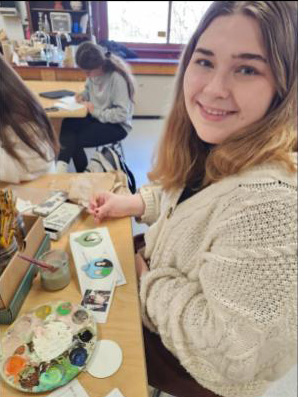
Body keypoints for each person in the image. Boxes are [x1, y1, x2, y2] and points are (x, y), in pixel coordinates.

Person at [88, 2, 297, 397]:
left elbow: (231, 351)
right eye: (204, 61)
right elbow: (186, 197)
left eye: (247, 68)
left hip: (190, 372)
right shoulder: (220, 143)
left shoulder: (273, 203)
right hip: (156, 309)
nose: (214, 89)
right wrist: (135, 204)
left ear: (283, 87)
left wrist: (147, 280)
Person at [56, 41, 135, 173]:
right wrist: (83, 95)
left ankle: (80, 173)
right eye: (84, 71)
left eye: (88, 72)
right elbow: (88, 88)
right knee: (68, 123)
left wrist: (95, 111)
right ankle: (62, 165)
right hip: (97, 115)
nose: (86, 75)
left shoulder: (117, 78)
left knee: (74, 140)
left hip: (117, 125)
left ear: (100, 65)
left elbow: (122, 114)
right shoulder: (93, 72)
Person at [0, 55, 59, 183]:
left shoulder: (19, 112)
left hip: (31, 194)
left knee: (72, 132)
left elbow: (31, 165)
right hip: (24, 190)